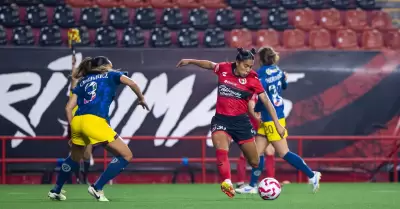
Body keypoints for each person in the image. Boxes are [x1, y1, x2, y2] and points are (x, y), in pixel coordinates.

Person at [176, 48, 286, 198]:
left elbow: (266, 101)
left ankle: (257, 182)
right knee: (221, 147)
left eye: (250, 66)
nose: (248, 69)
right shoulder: (224, 68)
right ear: (237, 62)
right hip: (221, 119)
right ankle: (227, 182)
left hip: (241, 122)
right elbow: (209, 64)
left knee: (254, 161)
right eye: (246, 66)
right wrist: (190, 61)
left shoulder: (253, 79)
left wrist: (277, 124)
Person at [48, 56, 149, 202]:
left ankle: (56, 190)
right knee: (126, 155)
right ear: (107, 66)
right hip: (95, 121)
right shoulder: (112, 74)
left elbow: (68, 107)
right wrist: (141, 98)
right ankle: (97, 187)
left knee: (74, 158)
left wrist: (72, 130)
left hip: (77, 121)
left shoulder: (83, 81)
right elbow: (132, 83)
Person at [235, 46, 321, 195]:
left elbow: (263, 98)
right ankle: (253, 185)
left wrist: (256, 110)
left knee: (284, 153)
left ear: (260, 60)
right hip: (275, 115)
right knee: (257, 153)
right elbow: (284, 85)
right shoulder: (278, 70)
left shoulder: (260, 75)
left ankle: (312, 175)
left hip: (271, 118)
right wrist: (284, 80)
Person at [236, 95, 276, 188]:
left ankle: (271, 181)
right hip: (249, 125)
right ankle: (240, 182)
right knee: (245, 153)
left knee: (269, 151)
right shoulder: (252, 90)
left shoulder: (264, 89)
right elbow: (251, 107)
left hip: (260, 126)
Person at [68, 54, 94, 185]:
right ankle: (78, 178)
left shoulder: (89, 87)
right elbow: (73, 78)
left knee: (87, 153)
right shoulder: (75, 90)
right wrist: (73, 64)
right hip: (76, 122)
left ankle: (84, 178)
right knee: (77, 154)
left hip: (87, 121)